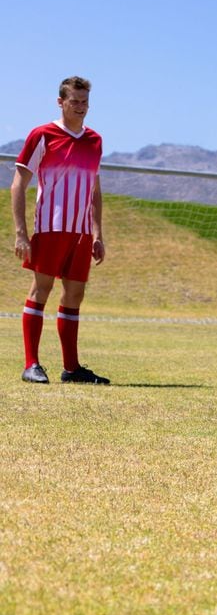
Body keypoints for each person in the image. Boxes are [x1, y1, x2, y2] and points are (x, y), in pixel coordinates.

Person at [12, 76, 109, 384]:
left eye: (84, 102)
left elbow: (95, 191)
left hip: (80, 234)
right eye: (74, 101)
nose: (80, 107)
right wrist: (20, 232)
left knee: (74, 295)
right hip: (50, 228)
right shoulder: (43, 135)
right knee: (41, 290)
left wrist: (97, 233)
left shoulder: (95, 141)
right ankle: (31, 364)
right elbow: (18, 185)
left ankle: (71, 368)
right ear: (61, 102)